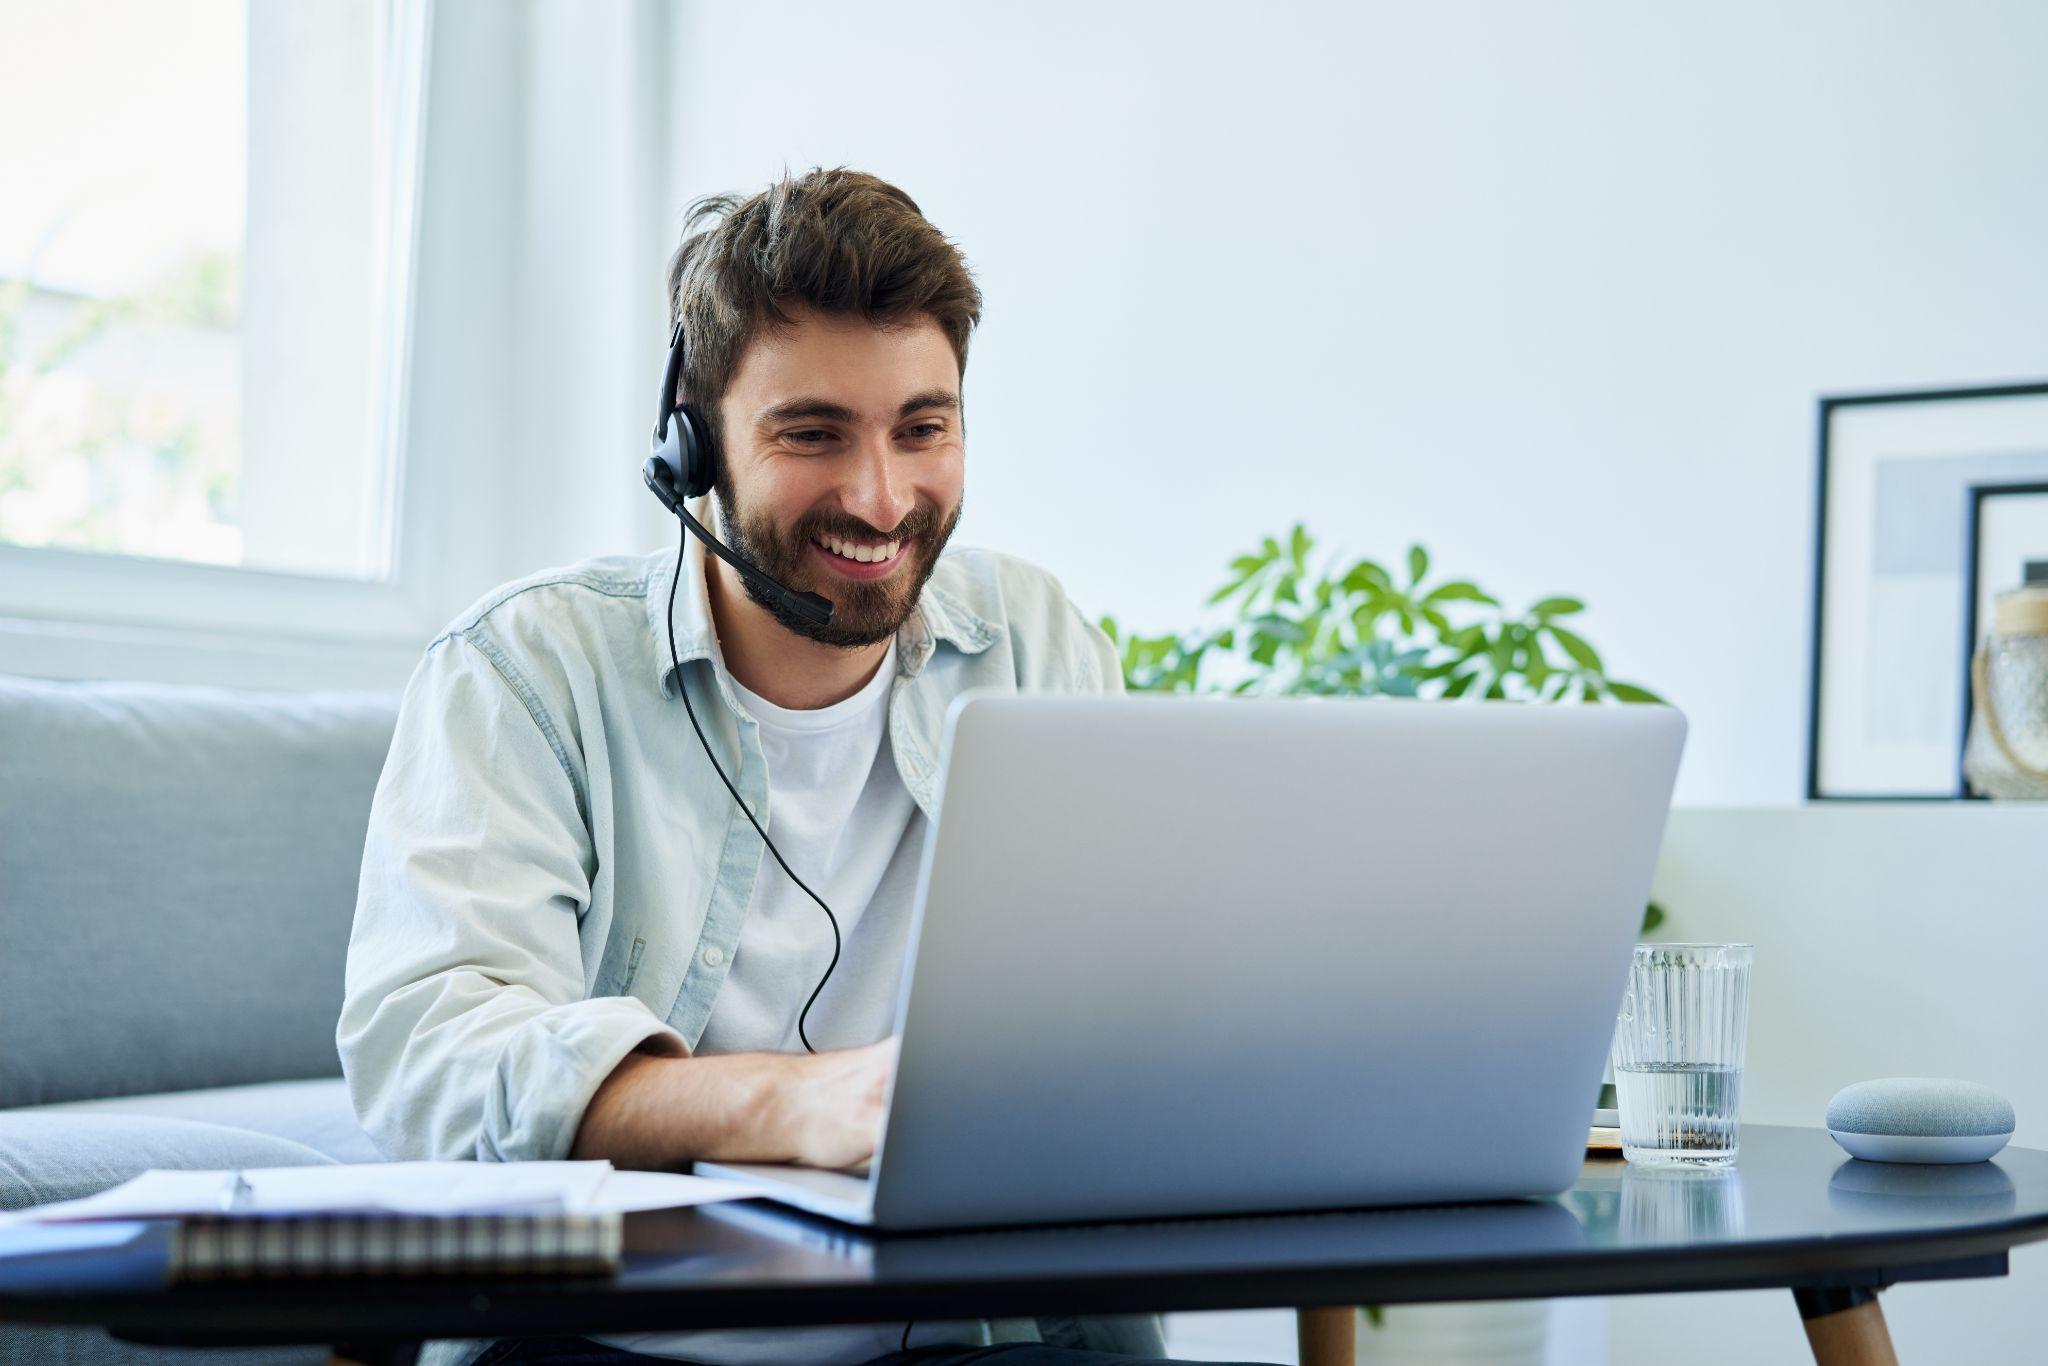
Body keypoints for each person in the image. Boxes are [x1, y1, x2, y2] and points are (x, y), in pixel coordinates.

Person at [339, 167, 1268, 1366]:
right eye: (811, 433)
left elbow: (1146, 990)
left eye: (921, 429)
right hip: (614, 1345)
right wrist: (789, 1103)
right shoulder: (525, 668)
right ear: (694, 445)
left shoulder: (1033, 641)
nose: (881, 498)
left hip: (978, 1340)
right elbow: (431, 1048)